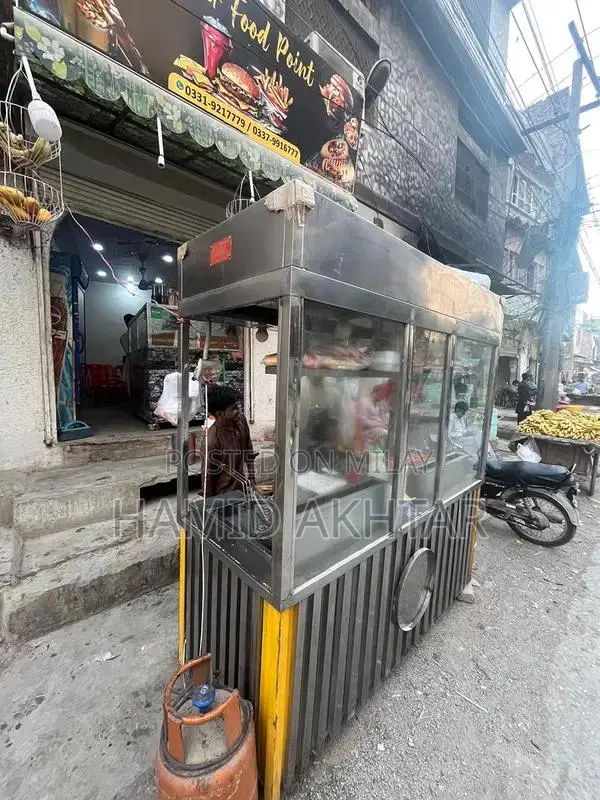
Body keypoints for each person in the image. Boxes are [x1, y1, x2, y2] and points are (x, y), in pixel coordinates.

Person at [203, 385, 256, 496]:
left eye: (238, 406)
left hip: (242, 489)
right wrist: (211, 504)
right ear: (219, 414)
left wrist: (252, 477)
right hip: (224, 495)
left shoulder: (241, 420)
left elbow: (248, 449)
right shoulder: (212, 440)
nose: (239, 411)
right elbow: (207, 478)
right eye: (234, 408)